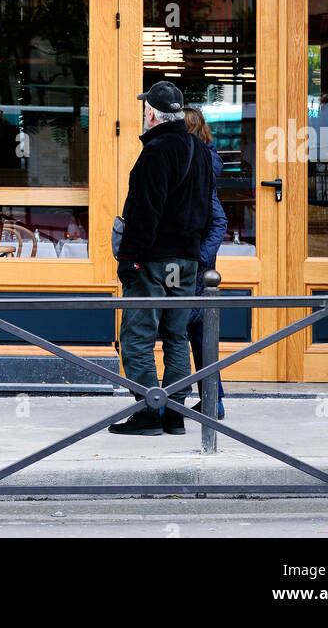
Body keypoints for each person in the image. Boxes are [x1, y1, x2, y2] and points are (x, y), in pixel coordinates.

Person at [110, 81, 214, 436]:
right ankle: (174, 411)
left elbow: (144, 210)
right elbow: (205, 208)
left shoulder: (155, 151)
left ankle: (147, 411)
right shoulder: (199, 151)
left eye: (145, 111)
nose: (144, 116)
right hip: (186, 260)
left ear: (151, 113)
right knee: (176, 336)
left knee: (138, 336)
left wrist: (129, 257)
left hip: (152, 259)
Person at [184, 106, 227, 420]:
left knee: (189, 327)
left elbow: (217, 220)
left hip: (193, 263)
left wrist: (199, 258)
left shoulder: (199, 163)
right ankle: (213, 400)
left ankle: (210, 400)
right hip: (194, 260)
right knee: (197, 329)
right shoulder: (204, 158)